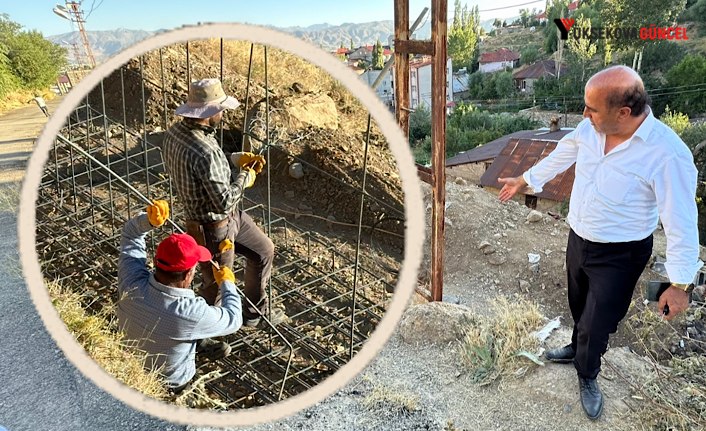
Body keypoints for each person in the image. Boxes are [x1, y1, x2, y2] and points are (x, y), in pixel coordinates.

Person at [497, 65, 702, 421]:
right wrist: (525, 180)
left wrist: (680, 284)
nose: (583, 114)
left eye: (592, 107)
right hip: (579, 238)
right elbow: (563, 154)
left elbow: (681, 222)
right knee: (579, 305)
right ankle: (578, 348)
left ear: (624, 112)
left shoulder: (667, 154)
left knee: (599, 320)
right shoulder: (590, 129)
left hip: (621, 253)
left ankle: (588, 374)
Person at [161, 78, 278, 328]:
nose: (224, 113)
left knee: (263, 251)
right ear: (210, 112)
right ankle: (200, 335)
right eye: (221, 108)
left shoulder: (175, 133)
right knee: (214, 287)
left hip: (226, 219)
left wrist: (234, 159)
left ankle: (252, 314)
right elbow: (224, 201)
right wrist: (246, 176)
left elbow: (205, 166)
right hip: (212, 228)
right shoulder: (205, 150)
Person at [116, 200, 243, 393]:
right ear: (188, 274)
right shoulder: (191, 312)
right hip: (168, 384)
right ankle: (197, 341)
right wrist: (227, 283)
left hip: (129, 366)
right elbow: (234, 319)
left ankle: (198, 342)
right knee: (192, 326)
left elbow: (131, 234)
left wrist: (148, 221)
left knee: (181, 328)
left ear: (156, 261)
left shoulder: (131, 281)